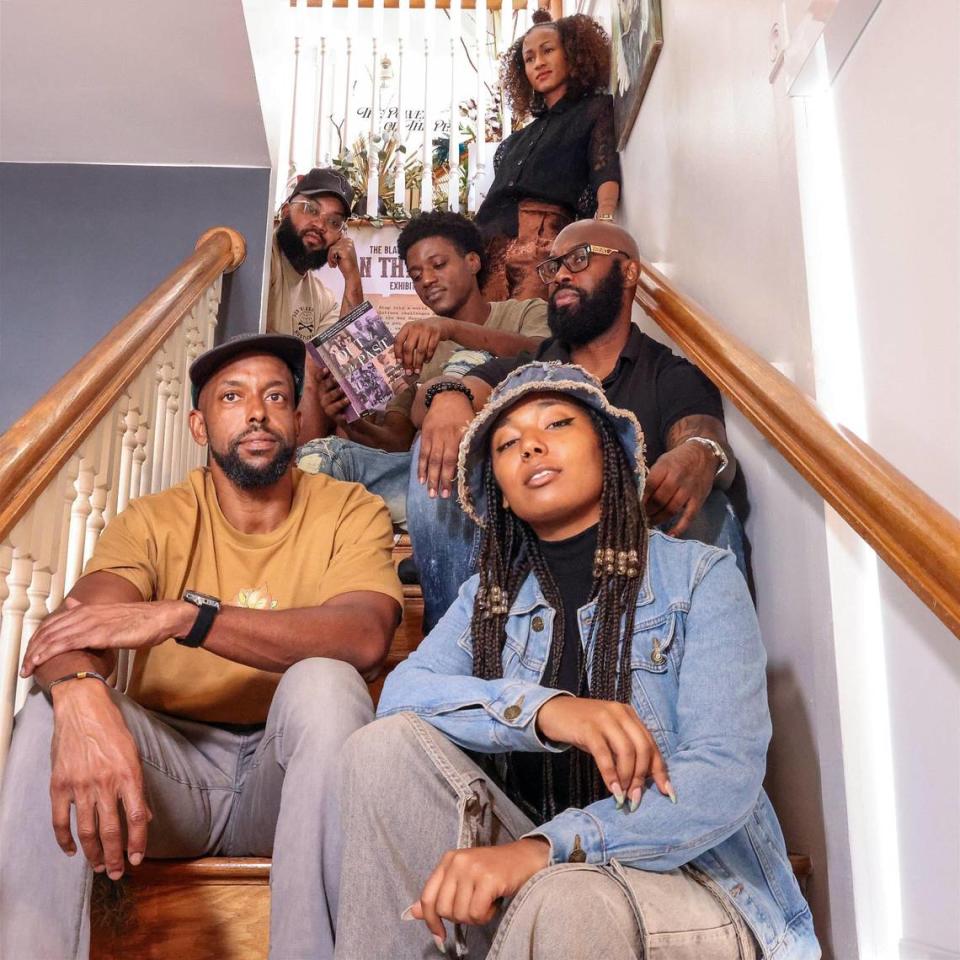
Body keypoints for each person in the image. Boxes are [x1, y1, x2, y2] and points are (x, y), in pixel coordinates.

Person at [334, 362, 819, 960]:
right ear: (501, 490)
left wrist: (547, 848)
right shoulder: (485, 598)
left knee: (567, 896)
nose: (530, 444)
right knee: (376, 750)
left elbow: (723, 776)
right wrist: (548, 712)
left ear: (609, 452)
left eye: (557, 424)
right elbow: (404, 693)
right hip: (539, 882)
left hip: (689, 883)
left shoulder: (698, 579)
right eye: (508, 443)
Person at [0, 334, 403, 960]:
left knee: (326, 683)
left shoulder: (349, 508)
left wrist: (189, 618)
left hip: (290, 773)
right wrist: (80, 696)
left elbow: (365, 635)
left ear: (298, 420)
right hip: (169, 779)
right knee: (50, 714)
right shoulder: (154, 519)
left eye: (275, 396)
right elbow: (69, 631)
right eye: (232, 397)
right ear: (198, 424)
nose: (257, 412)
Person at [409, 219, 744, 631]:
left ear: (628, 271)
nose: (561, 275)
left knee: (714, 509)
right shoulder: (535, 368)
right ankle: (459, 641)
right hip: (532, 562)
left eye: (579, 259)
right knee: (437, 451)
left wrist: (698, 453)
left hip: (631, 577)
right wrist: (445, 395)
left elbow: (701, 435)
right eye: (553, 267)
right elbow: (466, 388)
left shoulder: (668, 374)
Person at [297, 211, 550, 525]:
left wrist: (451, 329)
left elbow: (545, 355)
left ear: (473, 262)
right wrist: (349, 421)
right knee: (319, 456)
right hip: (425, 476)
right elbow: (397, 440)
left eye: (438, 265)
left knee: (464, 367)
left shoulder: (525, 312)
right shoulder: (412, 347)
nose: (427, 280)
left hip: (496, 469)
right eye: (416, 275)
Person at [475, 10, 621, 302]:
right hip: (486, 251)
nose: (538, 63)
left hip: (542, 249)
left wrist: (605, 223)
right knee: (479, 339)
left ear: (572, 54)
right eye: (529, 59)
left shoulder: (594, 110)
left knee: (530, 337)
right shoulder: (512, 142)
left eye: (548, 51)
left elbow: (604, 169)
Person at [267, 167, 365, 445]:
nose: (321, 225)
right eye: (311, 209)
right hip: (255, 388)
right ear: (286, 210)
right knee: (312, 361)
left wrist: (352, 278)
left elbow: (347, 358)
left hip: (291, 402)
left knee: (338, 374)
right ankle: (306, 473)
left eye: (334, 222)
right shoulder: (265, 258)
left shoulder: (321, 297)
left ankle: (323, 468)